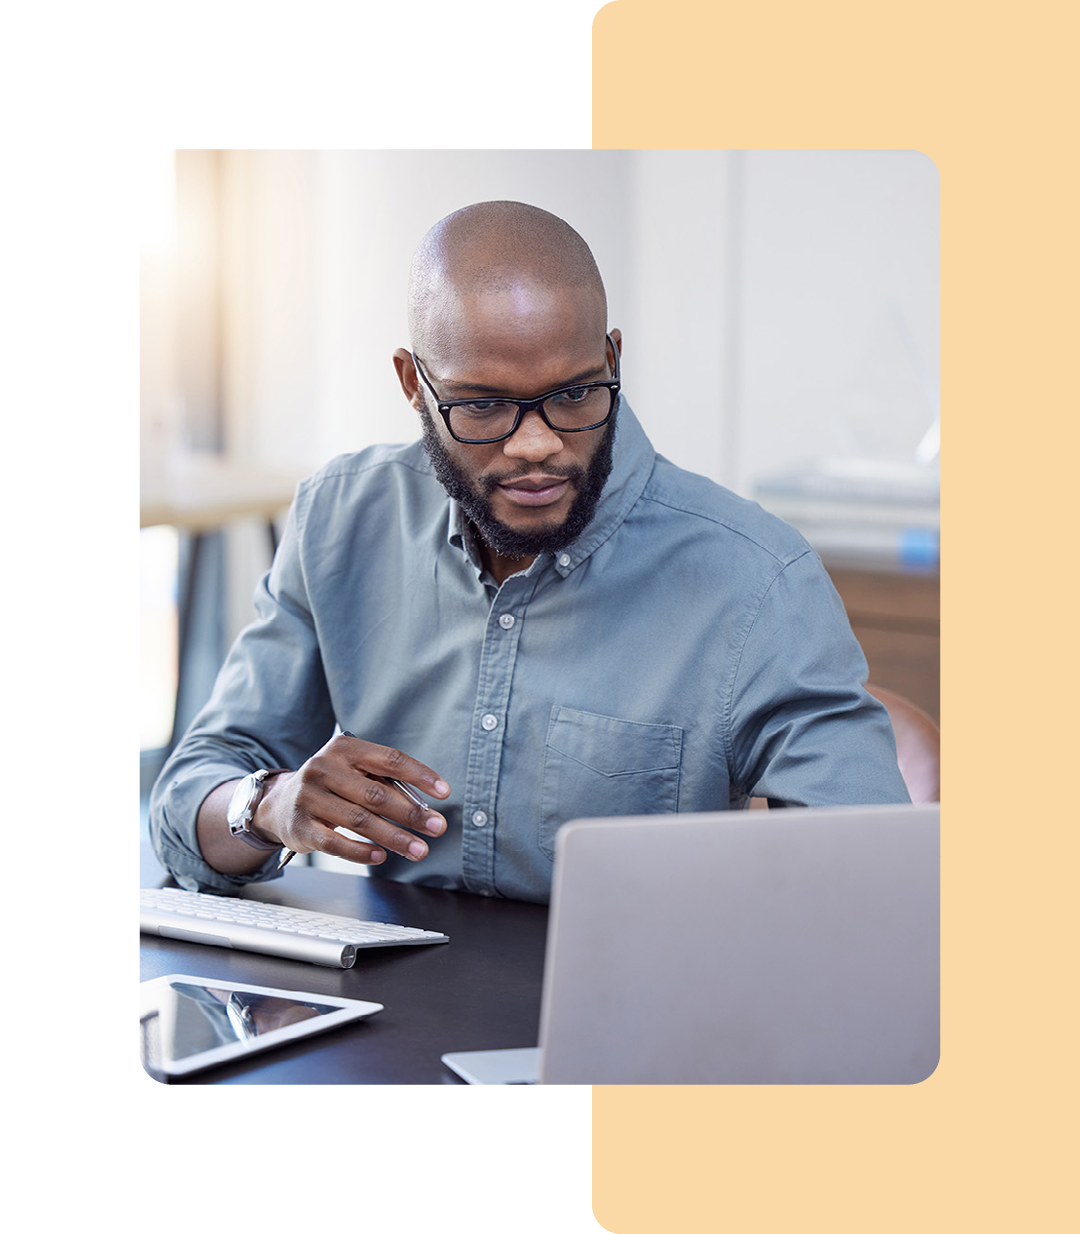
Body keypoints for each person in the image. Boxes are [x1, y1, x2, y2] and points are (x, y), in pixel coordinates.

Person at [150, 200, 909, 904]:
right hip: (383, 1012)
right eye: (482, 405)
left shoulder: (756, 578)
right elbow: (188, 799)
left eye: (577, 394)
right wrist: (269, 806)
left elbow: (874, 884)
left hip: (634, 1024)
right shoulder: (342, 518)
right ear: (413, 384)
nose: (538, 446)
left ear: (613, 358)